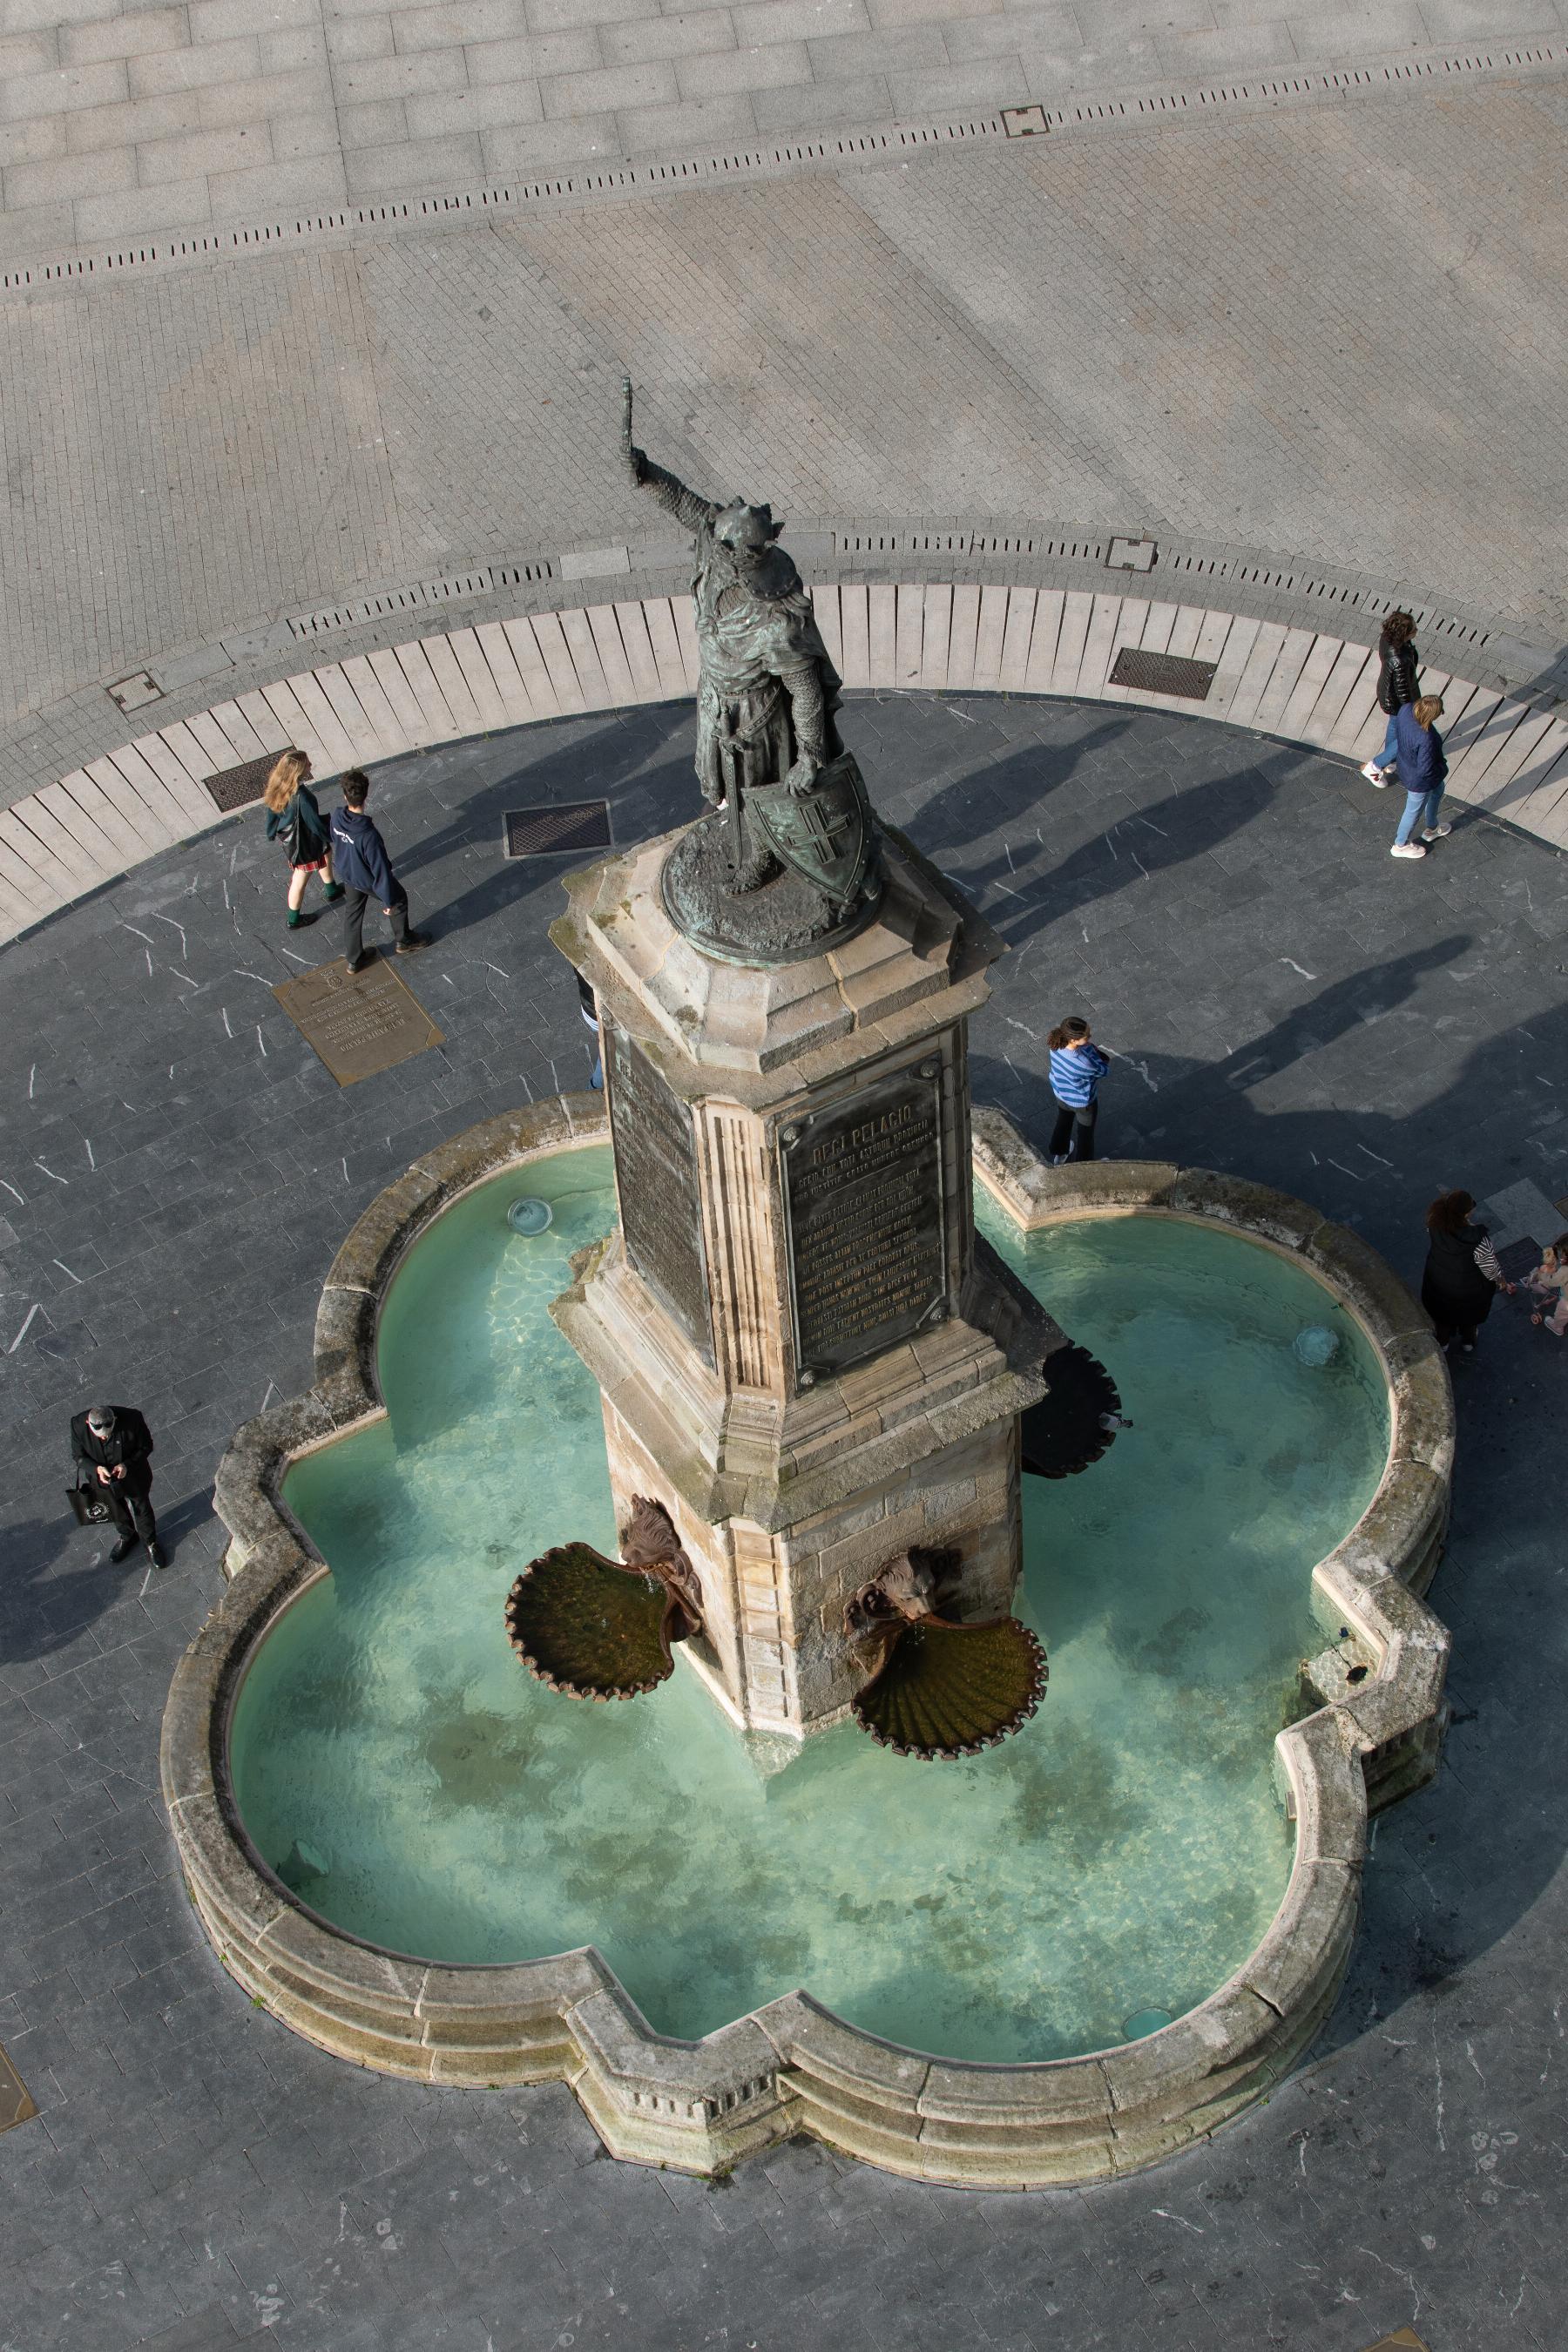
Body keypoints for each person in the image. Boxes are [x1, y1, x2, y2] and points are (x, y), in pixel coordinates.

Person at [328, 769, 431, 973]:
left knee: (353, 913)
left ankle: (354, 959)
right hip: (366, 880)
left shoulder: (337, 817)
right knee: (399, 899)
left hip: (348, 875)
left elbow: (334, 838)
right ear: (366, 796)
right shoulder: (369, 836)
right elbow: (381, 870)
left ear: (345, 796)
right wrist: (388, 901)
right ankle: (404, 940)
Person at [1419, 1191, 1515, 1352]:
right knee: (1469, 1318)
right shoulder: (1478, 1240)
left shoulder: (1434, 1223)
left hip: (1438, 1281)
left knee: (1442, 1318)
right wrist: (1501, 1281)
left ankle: (1443, 1343)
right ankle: (1468, 1342)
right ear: (1466, 1213)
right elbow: (1490, 1268)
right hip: (1469, 1290)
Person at [71, 1403, 165, 1567]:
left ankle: (150, 1543)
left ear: (114, 1420)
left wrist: (127, 1465)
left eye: (107, 1434)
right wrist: (97, 1469)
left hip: (133, 1475)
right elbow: (78, 1456)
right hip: (102, 1480)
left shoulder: (133, 1418)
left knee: (141, 1507)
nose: (103, 1438)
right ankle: (127, 1536)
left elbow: (146, 1446)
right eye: (99, 1436)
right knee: (114, 1509)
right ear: (88, 1424)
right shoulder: (77, 1424)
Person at [262, 748, 343, 930]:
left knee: (326, 853)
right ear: (298, 771)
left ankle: (331, 889)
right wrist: (332, 836)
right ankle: (294, 919)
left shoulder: (278, 785)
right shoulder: (303, 797)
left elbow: (271, 812)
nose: (310, 765)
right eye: (307, 763)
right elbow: (314, 824)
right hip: (304, 842)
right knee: (299, 880)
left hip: (289, 836)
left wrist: (270, 832)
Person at [1362, 610, 1420, 787]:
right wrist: (1412, 711)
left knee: (1394, 725)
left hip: (1389, 695)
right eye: (1413, 629)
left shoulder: (1388, 638)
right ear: (1404, 634)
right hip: (1400, 701)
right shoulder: (1399, 660)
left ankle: (1391, 762)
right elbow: (1403, 690)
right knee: (1410, 734)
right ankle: (1376, 766)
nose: (1416, 631)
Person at [1389, 694, 1450, 860]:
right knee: (1412, 811)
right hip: (1419, 781)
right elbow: (1425, 770)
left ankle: (1432, 827)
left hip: (1406, 766)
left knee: (1438, 791)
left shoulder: (1406, 710)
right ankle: (1400, 845)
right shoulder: (1427, 738)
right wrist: (1443, 769)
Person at [1047, 1017, 1110, 1164]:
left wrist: (1086, 1046)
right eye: (1086, 1036)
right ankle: (1084, 1165)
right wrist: (1093, 1051)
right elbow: (1103, 1071)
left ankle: (1059, 1151)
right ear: (1074, 1040)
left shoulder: (1055, 1045)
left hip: (1061, 1093)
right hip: (1082, 1101)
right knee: (1085, 1134)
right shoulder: (1082, 1062)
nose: (1089, 1037)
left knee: (1063, 1120)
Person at [1524, 1234, 1568, 1337]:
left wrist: (1542, 1275)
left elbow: (1553, 1281)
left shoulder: (1565, 1271)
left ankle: (1557, 1327)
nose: (1560, 1258)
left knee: (1562, 1312)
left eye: (1562, 1255)